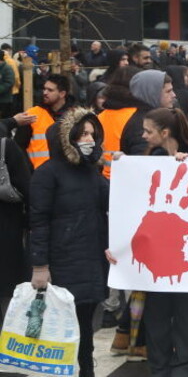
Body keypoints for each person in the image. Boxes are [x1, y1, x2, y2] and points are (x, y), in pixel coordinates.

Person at [28, 108, 109, 377]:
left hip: (90, 259)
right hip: (62, 262)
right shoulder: (47, 174)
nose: (89, 139)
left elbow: (115, 202)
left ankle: (86, 370)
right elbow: (37, 222)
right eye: (83, 133)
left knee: (85, 327)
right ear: (68, 138)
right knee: (59, 329)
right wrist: (40, 265)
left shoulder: (92, 172)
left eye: (92, 134)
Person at [134, 108, 188, 377]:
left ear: (165, 133)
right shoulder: (149, 158)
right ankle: (160, 368)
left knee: (186, 318)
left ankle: (184, 368)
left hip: (185, 253)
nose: (143, 135)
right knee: (157, 319)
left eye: (148, 131)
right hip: (155, 255)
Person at [0, 121, 31, 318]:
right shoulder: (7, 146)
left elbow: (27, 188)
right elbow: (26, 186)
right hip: (8, 227)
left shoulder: (6, 146)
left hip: (7, 228)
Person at [17, 74, 75, 170]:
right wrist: (28, 170)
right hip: (38, 173)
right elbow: (19, 146)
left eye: (50, 90)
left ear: (62, 94)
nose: (45, 92)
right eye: (44, 89)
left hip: (67, 174)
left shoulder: (75, 115)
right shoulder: (32, 114)